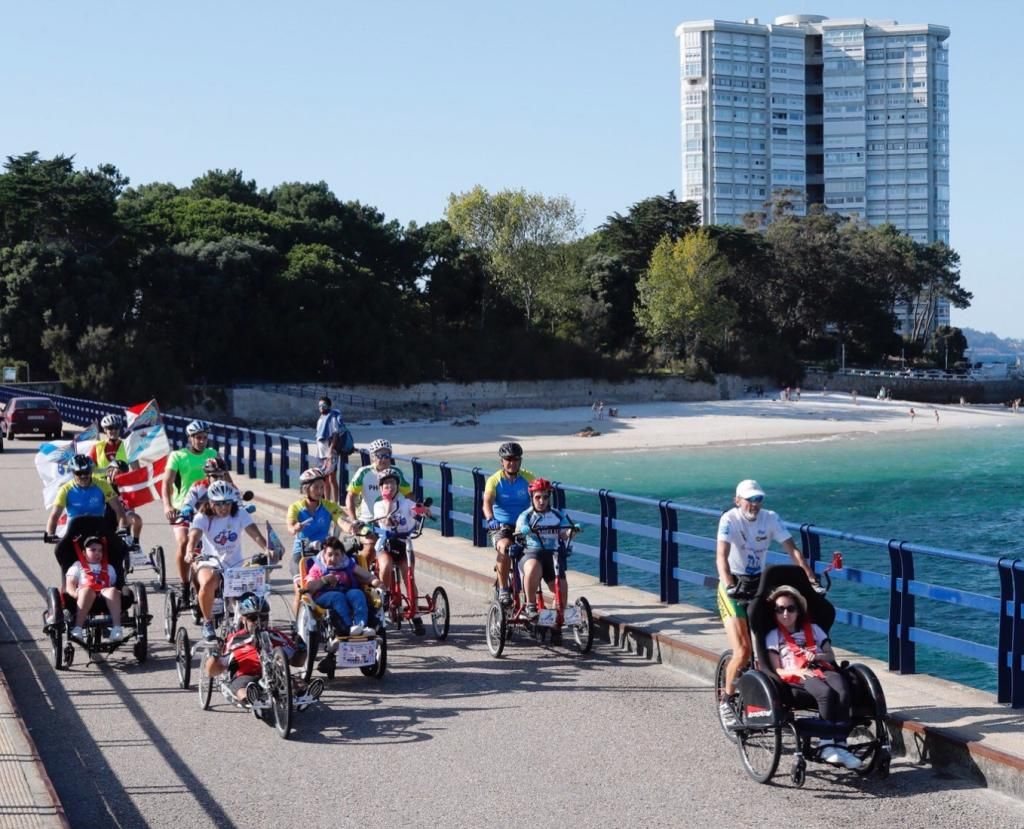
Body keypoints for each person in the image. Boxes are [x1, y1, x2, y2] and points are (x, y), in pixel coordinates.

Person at [715, 479, 819, 725]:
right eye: (750, 499)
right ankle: (726, 701)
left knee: (771, 644)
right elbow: (721, 556)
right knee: (743, 651)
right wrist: (729, 584)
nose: (755, 504)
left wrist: (810, 577)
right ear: (737, 500)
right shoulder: (729, 520)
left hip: (758, 583)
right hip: (734, 585)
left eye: (759, 499)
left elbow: (792, 551)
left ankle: (775, 695)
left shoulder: (770, 518)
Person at [766, 584, 861, 770]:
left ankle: (840, 744)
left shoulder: (815, 629)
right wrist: (796, 672)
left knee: (842, 689)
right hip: (797, 674)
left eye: (790, 609)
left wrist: (817, 656)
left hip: (821, 666)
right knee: (825, 693)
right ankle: (825, 744)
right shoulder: (773, 635)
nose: (785, 614)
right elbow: (776, 670)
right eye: (780, 609)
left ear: (798, 611)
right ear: (775, 612)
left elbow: (830, 656)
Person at [186, 481, 275, 641]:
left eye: (227, 503)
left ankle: (253, 629)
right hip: (210, 562)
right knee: (208, 582)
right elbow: (194, 535)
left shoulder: (240, 514)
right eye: (219, 504)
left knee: (255, 596)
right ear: (210, 502)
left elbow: (253, 532)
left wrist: (266, 548)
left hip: (235, 565)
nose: (224, 507)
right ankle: (207, 622)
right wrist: (190, 550)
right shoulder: (202, 517)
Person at [204, 592, 322, 706]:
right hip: (245, 676)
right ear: (243, 619)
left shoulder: (277, 635)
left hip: (274, 676)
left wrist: (302, 649)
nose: (259, 622)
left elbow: (297, 662)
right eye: (253, 618)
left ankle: (304, 696)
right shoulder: (235, 639)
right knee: (243, 688)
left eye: (263, 617)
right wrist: (216, 654)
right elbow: (213, 671)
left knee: (293, 682)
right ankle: (251, 699)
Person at [514, 478, 576, 634]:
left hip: (552, 555)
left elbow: (564, 532)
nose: (541, 501)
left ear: (549, 497)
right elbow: (518, 528)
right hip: (531, 553)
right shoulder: (526, 516)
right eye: (538, 497)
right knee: (533, 567)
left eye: (545, 497)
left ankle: (555, 623)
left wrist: (570, 532)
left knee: (561, 587)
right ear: (532, 497)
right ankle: (530, 606)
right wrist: (524, 530)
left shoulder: (557, 514)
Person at [162, 420, 218, 592]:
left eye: (204, 438)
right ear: (190, 438)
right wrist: (168, 506)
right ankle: (184, 584)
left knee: (211, 547)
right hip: (182, 508)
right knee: (185, 542)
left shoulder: (212, 453)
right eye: (198, 438)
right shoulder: (178, 456)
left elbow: (224, 478)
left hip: (209, 509)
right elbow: (166, 483)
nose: (202, 441)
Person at [372, 467, 426, 634]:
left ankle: (415, 613)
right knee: (386, 564)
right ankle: (386, 594)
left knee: (408, 575)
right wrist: (388, 504)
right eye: (386, 484)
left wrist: (424, 510)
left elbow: (417, 510)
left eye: (393, 483)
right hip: (386, 544)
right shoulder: (379, 505)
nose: (390, 486)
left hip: (403, 544)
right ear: (381, 488)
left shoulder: (406, 502)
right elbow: (385, 523)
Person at [481, 442, 535, 606]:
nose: (512, 463)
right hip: (501, 526)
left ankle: (531, 597)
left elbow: (540, 498)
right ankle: (504, 588)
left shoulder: (528, 478)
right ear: (502, 462)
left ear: (520, 461)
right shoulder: (494, 480)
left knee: (536, 554)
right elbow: (487, 502)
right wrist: (490, 519)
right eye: (508, 459)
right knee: (505, 548)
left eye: (516, 459)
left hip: (524, 525)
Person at [346, 438, 412, 563]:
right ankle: (363, 577)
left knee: (405, 550)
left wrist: (412, 514)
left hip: (390, 522)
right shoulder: (364, 473)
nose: (384, 459)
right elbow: (350, 496)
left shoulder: (396, 472)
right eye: (380, 455)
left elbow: (409, 495)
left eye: (387, 455)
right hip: (367, 521)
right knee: (370, 546)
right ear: (372, 457)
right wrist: (353, 520)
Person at [304, 535, 380, 636]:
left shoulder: (347, 564)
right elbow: (309, 587)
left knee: (357, 593)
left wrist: (375, 581)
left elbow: (367, 576)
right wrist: (324, 579)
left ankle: (361, 626)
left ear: (342, 555)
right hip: (323, 595)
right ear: (324, 554)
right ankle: (347, 628)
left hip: (346, 592)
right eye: (330, 555)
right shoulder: (318, 566)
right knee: (337, 597)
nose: (333, 558)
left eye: (337, 555)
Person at [45, 454, 127, 539]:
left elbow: (118, 508)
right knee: (59, 551)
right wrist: (50, 533)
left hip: (98, 528)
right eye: (79, 473)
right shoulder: (65, 489)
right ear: (73, 473)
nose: (83, 476)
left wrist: (122, 527)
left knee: (117, 549)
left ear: (91, 471)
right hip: (73, 530)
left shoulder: (103, 485)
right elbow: (54, 515)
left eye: (86, 472)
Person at [65, 535, 124, 642]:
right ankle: (78, 628)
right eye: (93, 550)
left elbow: (114, 584)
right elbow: (70, 585)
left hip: (104, 594)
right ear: (83, 553)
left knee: (112, 591)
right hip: (84, 594)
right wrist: (75, 594)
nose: (97, 553)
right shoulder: (77, 566)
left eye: (100, 551)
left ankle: (117, 629)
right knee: (87, 590)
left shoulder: (109, 567)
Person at [315, 397, 346, 503]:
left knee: (332, 479)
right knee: (325, 479)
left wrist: (331, 450)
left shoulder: (332, 417)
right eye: (319, 406)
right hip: (321, 453)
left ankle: (335, 503)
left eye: (323, 405)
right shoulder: (321, 418)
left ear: (328, 406)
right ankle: (327, 502)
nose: (321, 408)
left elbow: (335, 435)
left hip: (330, 453)